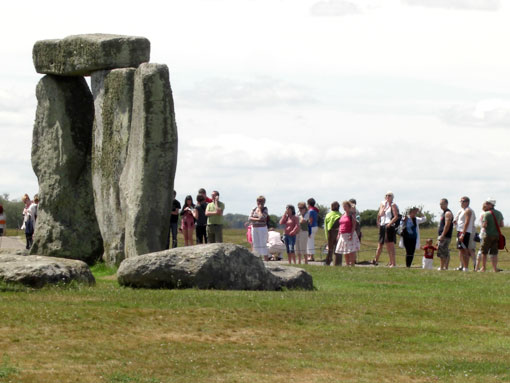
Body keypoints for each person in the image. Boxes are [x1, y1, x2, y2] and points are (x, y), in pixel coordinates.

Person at [373, 192, 399, 267]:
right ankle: (377, 260)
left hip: (389, 225)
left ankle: (393, 263)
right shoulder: (383, 204)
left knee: (390, 245)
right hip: (383, 225)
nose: (388, 197)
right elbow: (380, 214)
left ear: (392, 197)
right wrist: (383, 207)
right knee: (382, 244)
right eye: (386, 195)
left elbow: (396, 216)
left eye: (389, 195)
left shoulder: (393, 205)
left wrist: (390, 223)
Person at [479, 198, 504, 272]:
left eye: (487, 203)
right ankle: (495, 268)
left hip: (488, 234)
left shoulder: (487, 213)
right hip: (496, 235)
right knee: (494, 253)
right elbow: (501, 225)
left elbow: (484, 225)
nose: (486, 204)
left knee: (484, 252)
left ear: (490, 205)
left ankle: (483, 268)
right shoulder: (499, 213)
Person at [335, 201, 360, 266]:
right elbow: (340, 225)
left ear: (349, 207)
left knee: (351, 251)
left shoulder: (352, 215)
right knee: (345, 251)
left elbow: (354, 225)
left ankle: (352, 264)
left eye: (346, 206)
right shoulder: (342, 215)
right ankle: (347, 264)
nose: (344, 208)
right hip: (343, 235)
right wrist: (338, 233)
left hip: (349, 234)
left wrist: (351, 234)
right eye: (343, 206)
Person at [454, 196, 474, 271]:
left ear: (467, 202)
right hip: (459, 231)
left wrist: (463, 234)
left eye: (463, 201)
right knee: (461, 249)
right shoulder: (462, 210)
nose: (461, 203)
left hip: (464, 232)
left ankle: (466, 267)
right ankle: (462, 266)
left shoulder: (468, 210)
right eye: (461, 201)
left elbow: (467, 222)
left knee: (464, 249)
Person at [437, 198, 454, 270]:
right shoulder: (443, 213)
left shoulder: (447, 213)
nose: (441, 205)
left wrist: (443, 235)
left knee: (442, 252)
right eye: (440, 204)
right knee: (445, 251)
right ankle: (445, 267)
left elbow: (447, 225)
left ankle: (442, 267)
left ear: (446, 204)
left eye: (442, 204)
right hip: (443, 235)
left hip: (445, 236)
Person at [324, 201, 342, 266]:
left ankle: (328, 262)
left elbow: (326, 227)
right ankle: (337, 263)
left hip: (330, 233)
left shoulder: (328, 215)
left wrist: (326, 236)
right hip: (336, 233)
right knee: (337, 249)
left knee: (331, 249)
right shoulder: (341, 215)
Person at [306, 198, 319, 262]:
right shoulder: (315, 210)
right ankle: (310, 255)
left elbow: (310, 220)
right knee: (310, 241)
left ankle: (311, 256)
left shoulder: (310, 211)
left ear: (308, 204)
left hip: (311, 227)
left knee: (310, 241)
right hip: (315, 226)